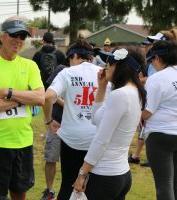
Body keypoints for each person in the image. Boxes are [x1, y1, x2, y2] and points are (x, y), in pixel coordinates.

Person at [0, 16, 45, 200]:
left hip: (23, 143)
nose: (19, 40)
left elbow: (40, 98)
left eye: (22, 36)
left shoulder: (30, 66)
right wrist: (24, 98)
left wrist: (8, 92)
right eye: (14, 35)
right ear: (2, 37)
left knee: (20, 193)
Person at [74, 47, 146, 200]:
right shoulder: (133, 92)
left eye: (110, 62)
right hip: (120, 173)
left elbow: (101, 140)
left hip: (105, 175)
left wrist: (82, 173)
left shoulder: (119, 95)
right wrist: (101, 87)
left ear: (122, 66)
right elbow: (95, 119)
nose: (105, 66)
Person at [43, 39, 101, 200]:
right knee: (92, 185)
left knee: (68, 183)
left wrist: (48, 121)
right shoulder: (102, 73)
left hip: (71, 139)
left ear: (74, 55)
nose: (69, 63)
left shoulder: (67, 73)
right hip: (95, 138)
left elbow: (48, 97)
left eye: (70, 59)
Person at [32, 32, 66, 200]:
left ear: (43, 41)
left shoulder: (38, 54)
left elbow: (33, 70)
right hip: (56, 100)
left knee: (51, 156)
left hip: (45, 91)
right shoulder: (60, 55)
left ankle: (50, 190)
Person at [142, 40, 177, 200]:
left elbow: (148, 111)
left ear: (156, 58)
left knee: (164, 185)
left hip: (160, 136)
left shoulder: (157, 78)